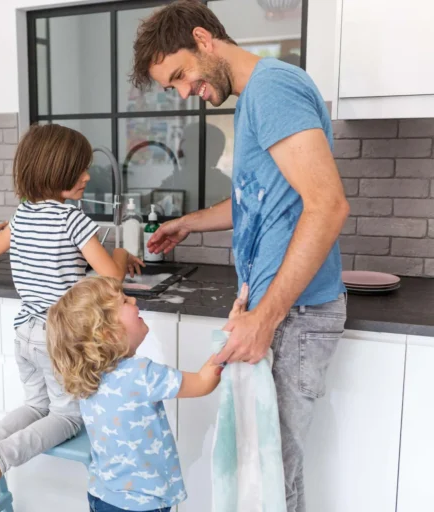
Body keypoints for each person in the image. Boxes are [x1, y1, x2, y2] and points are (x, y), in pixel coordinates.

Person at [130, 2, 349, 511]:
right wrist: (188, 222)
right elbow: (260, 197)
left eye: (181, 74)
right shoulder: (257, 96)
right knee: (258, 470)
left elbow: (328, 205)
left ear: (205, 39)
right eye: (172, 86)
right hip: (278, 313)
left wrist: (265, 319)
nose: (184, 92)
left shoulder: (272, 88)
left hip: (292, 314)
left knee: (273, 474)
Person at [0, 124, 144, 500]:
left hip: (24, 334)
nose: (86, 176)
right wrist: (124, 254)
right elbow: (111, 278)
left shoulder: (23, 214)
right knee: (66, 416)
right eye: (79, 169)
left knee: (36, 405)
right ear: (53, 171)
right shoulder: (71, 219)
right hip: (58, 339)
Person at [46, 276, 249, 512]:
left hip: (101, 496)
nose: (133, 299)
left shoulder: (87, 377)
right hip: (141, 504)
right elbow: (204, 382)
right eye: (124, 301)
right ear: (108, 334)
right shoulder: (141, 374)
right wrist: (230, 333)